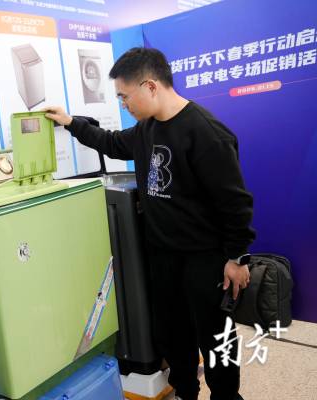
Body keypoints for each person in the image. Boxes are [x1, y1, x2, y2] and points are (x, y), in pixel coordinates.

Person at [45, 47, 255, 400]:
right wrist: (70, 122)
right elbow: (111, 143)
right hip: (163, 255)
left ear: (151, 86)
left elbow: (235, 203)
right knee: (173, 333)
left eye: (125, 96)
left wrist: (237, 257)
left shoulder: (206, 132)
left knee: (216, 335)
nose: (123, 104)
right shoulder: (146, 130)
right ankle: (186, 392)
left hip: (206, 258)